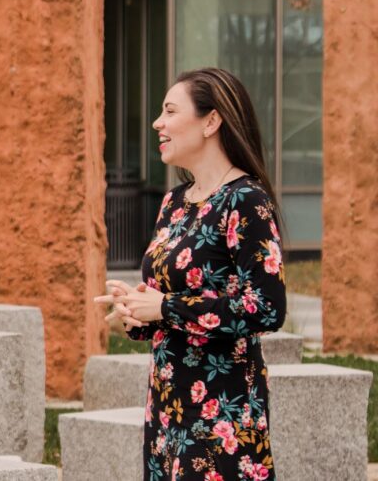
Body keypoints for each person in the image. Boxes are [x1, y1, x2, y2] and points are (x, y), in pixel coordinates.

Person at [96, 68, 286, 480]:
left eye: (169, 111)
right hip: (168, 405)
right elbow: (172, 307)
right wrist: (138, 311)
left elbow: (267, 308)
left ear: (211, 121)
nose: (156, 123)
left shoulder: (247, 201)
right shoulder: (175, 202)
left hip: (223, 413)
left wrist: (164, 305)